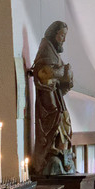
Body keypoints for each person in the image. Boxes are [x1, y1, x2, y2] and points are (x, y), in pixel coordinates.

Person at [32, 20, 76, 176]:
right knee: (54, 124)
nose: (64, 39)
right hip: (48, 100)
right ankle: (52, 152)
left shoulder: (53, 52)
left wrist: (67, 78)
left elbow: (60, 80)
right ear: (53, 34)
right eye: (61, 35)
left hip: (56, 96)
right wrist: (63, 72)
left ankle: (61, 152)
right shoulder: (46, 50)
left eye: (65, 36)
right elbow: (43, 73)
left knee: (65, 122)